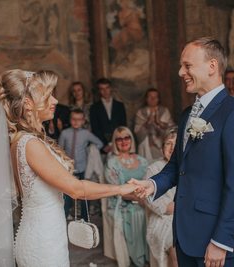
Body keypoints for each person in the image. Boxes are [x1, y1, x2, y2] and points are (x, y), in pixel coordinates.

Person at [0, 69, 140, 267]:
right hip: (42, 243)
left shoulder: (25, 140)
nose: (54, 101)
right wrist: (121, 189)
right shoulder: (30, 144)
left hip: (46, 234)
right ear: (28, 104)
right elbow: (76, 189)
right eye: (47, 96)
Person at [131, 37, 234, 267]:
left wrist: (221, 241)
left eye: (187, 65)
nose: (180, 72)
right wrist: (153, 185)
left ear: (212, 66)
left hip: (214, 241)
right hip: (185, 235)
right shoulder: (188, 114)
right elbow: (178, 165)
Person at [105, 126, 149, 267]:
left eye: (127, 137)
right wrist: (138, 199)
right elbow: (116, 189)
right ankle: (139, 260)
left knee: (154, 213)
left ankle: (150, 257)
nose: (124, 141)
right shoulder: (112, 162)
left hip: (144, 199)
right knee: (136, 214)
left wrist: (144, 199)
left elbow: (149, 183)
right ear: (115, 142)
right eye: (119, 139)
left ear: (131, 139)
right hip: (122, 203)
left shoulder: (143, 161)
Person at [58, 109, 103, 220]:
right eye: (74, 119)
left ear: (83, 121)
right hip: (68, 169)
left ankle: (85, 218)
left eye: (79, 119)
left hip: (83, 168)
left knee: (84, 194)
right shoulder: (64, 133)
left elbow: (99, 143)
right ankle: (64, 216)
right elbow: (58, 149)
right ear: (70, 120)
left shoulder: (86, 134)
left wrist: (90, 150)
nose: (76, 122)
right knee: (67, 194)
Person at [144, 127, 178, 267]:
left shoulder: (191, 167)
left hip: (188, 217)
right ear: (162, 147)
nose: (172, 148)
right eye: (168, 143)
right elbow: (154, 201)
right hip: (164, 220)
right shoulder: (154, 168)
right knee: (176, 248)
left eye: (176, 143)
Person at [134, 88, 174, 162]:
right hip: (146, 147)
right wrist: (147, 123)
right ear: (146, 99)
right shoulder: (140, 112)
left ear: (158, 99)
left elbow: (171, 131)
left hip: (161, 146)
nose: (153, 99)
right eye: (150, 97)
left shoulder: (165, 111)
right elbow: (137, 132)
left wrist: (159, 123)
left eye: (155, 97)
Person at [90, 78, 127, 154]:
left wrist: (118, 142)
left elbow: (123, 125)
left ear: (111, 88)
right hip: (103, 146)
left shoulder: (120, 106)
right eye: (102, 89)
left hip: (118, 142)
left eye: (107, 88)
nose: (105, 91)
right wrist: (104, 145)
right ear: (99, 91)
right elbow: (95, 128)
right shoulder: (94, 108)